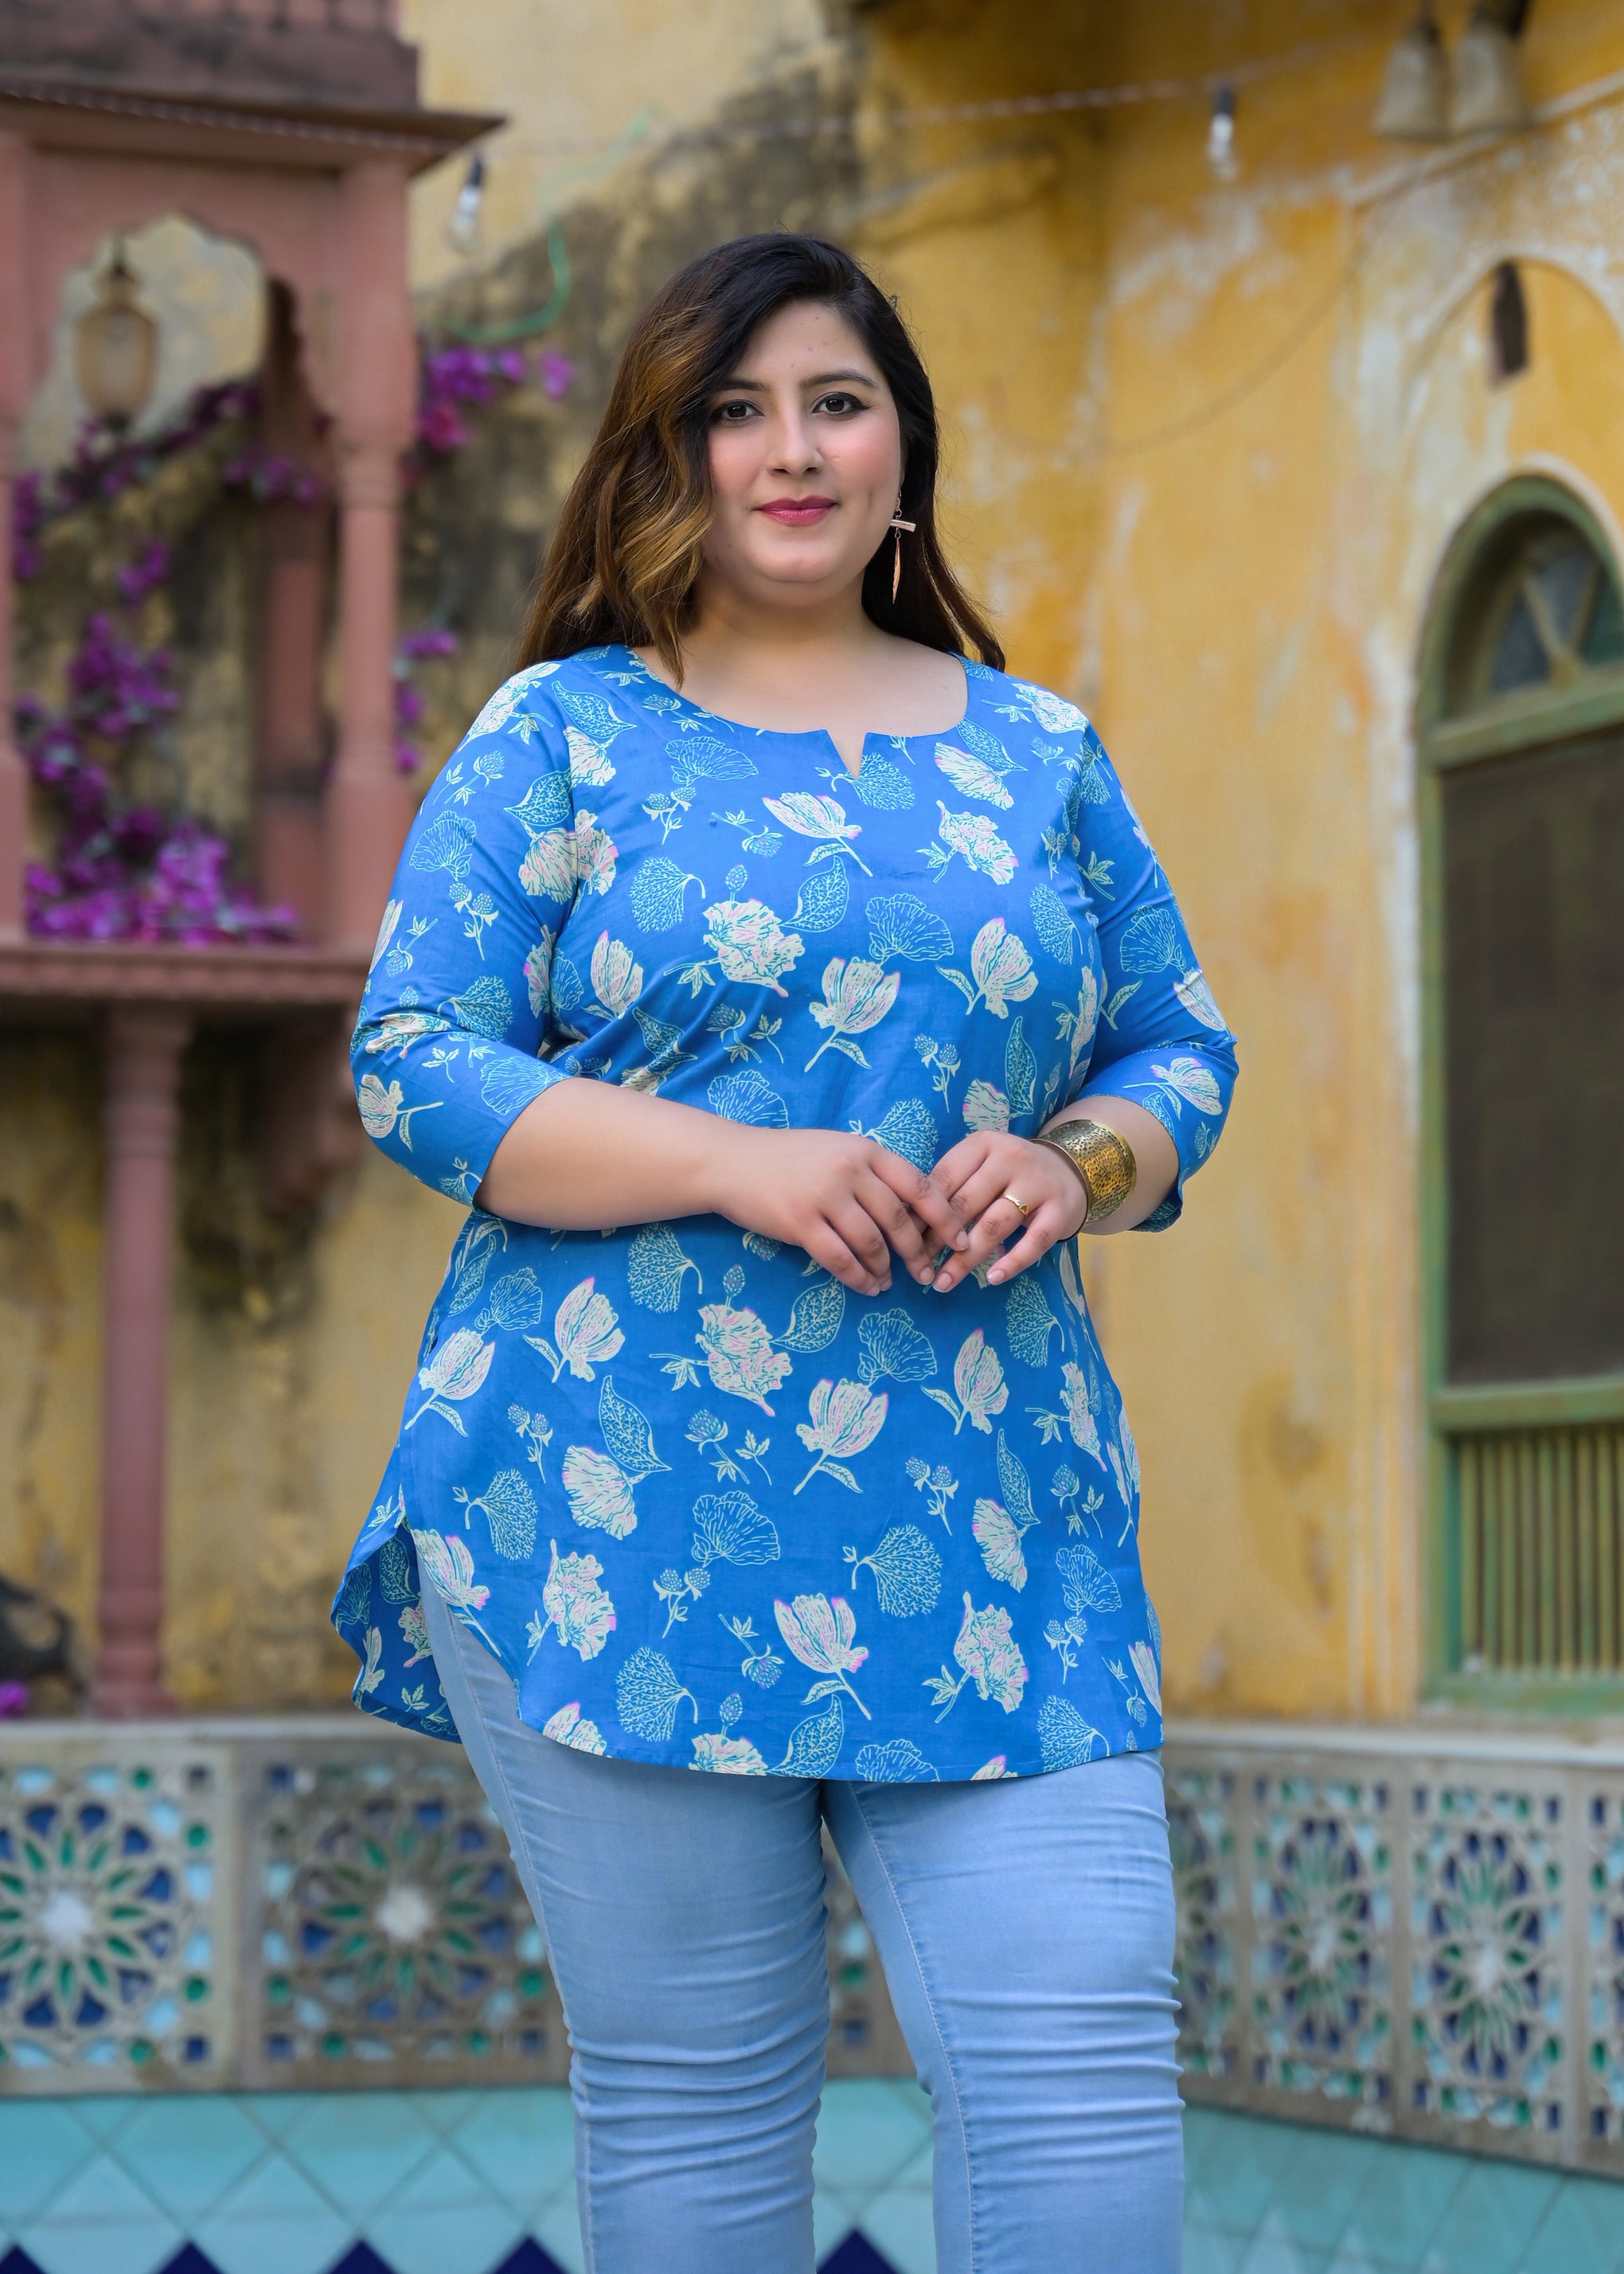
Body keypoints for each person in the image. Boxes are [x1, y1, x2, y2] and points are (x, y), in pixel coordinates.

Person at [334, 231, 1237, 2274]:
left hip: (995, 1505)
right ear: (671, 455)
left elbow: (1179, 1042)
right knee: (704, 2105)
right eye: (736, 413)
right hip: (612, 1493)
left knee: (1084, 2064)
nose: (793, 450)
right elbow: (412, 1062)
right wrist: (734, 1164)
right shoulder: (563, 734)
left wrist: (1080, 1160)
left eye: (837, 402)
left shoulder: (1036, 751)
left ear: (904, 443)